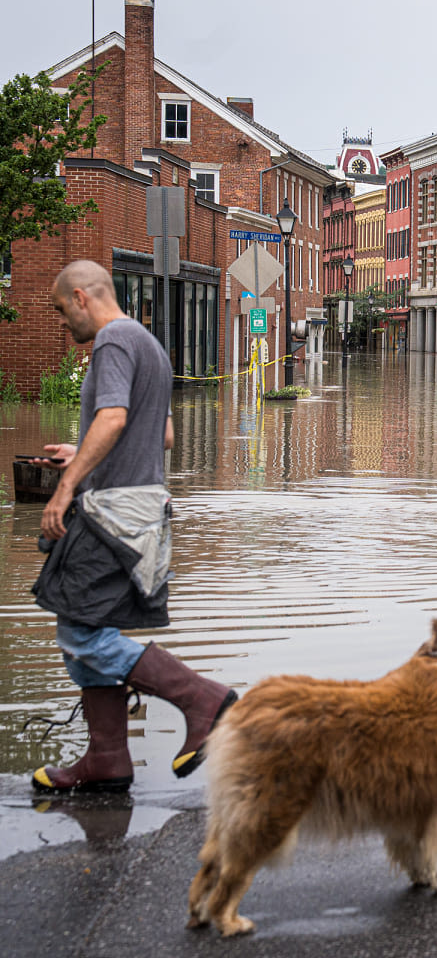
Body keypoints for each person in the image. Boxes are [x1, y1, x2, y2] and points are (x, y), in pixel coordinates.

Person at [30, 260, 238, 794]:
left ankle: (202, 699)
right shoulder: (148, 343)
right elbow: (160, 434)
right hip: (142, 511)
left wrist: (68, 485)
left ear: (81, 297)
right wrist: (82, 454)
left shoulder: (113, 340)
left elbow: (115, 418)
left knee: (79, 630)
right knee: (92, 626)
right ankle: (108, 759)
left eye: (60, 310)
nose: (61, 323)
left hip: (113, 514)